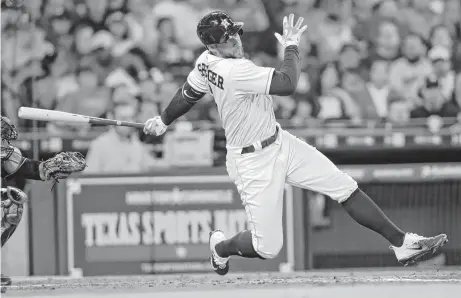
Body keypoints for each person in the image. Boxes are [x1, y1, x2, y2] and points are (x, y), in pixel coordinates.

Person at [143, 11, 448, 276]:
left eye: (235, 32)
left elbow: (187, 93)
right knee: (268, 248)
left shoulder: (206, 62)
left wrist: (163, 120)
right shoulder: (233, 69)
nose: (236, 39)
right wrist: (291, 45)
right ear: (212, 45)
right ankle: (220, 247)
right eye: (227, 37)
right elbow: (287, 84)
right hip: (251, 161)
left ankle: (402, 244)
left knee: (342, 185)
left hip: (279, 141)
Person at [1, 116, 86, 290]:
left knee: (12, 205)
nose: (3, 142)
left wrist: (50, 165)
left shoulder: (5, 157)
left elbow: (30, 169)